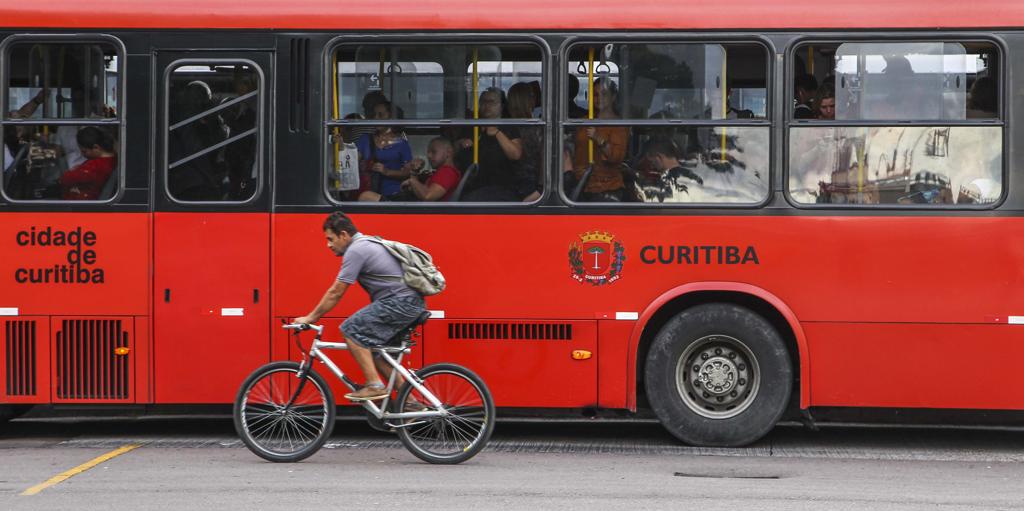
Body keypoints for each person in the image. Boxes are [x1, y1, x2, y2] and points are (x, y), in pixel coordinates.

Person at [293, 212, 427, 402]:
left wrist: (311, 317)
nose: (329, 245)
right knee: (378, 353)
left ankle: (374, 386)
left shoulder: (356, 250)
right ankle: (410, 404)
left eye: (330, 239)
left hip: (400, 302)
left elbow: (336, 291)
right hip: (408, 303)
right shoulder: (366, 243)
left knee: (350, 329)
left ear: (343, 235)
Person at [456, 88, 525, 201]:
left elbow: (516, 154)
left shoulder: (509, 127)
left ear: (502, 106)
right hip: (471, 186)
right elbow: (453, 149)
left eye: (492, 102)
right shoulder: (471, 126)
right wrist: (461, 143)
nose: (487, 105)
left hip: (501, 189)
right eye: (483, 101)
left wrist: (497, 133)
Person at [569, 77, 628, 201]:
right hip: (581, 184)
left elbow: (616, 157)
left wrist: (599, 139)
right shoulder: (585, 120)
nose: (599, 98)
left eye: (604, 94)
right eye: (595, 95)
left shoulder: (618, 125)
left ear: (613, 97)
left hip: (606, 188)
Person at [359, 137, 461, 202]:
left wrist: (412, 181)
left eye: (433, 152)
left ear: (448, 152)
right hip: (413, 206)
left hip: (418, 213)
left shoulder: (447, 172)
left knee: (366, 197)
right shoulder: (441, 172)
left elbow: (428, 196)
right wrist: (414, 172)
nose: (429, 156)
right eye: (428, 152)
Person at [356, 100, 415, 196]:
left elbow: (408, 172)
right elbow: (353, 163)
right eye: (374, 115)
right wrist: (363, 166)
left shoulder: (401, 144)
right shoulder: (365, 139)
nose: (376, 118)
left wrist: (387, 172)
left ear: (391, 118)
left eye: (380, 115)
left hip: (394, 193)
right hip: (367, 191)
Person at [507, 82, 543, 201]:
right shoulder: (534, 128)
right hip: (530, 186)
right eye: (532, 95)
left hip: (514, 183)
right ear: (528, 100)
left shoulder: (507, 126)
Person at [59, 127, 116, 200]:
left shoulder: (95, 166)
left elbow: (65, 179)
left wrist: (74, 170)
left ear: (96, 147)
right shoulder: (112, 159)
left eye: (84, 151)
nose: (83, 155)